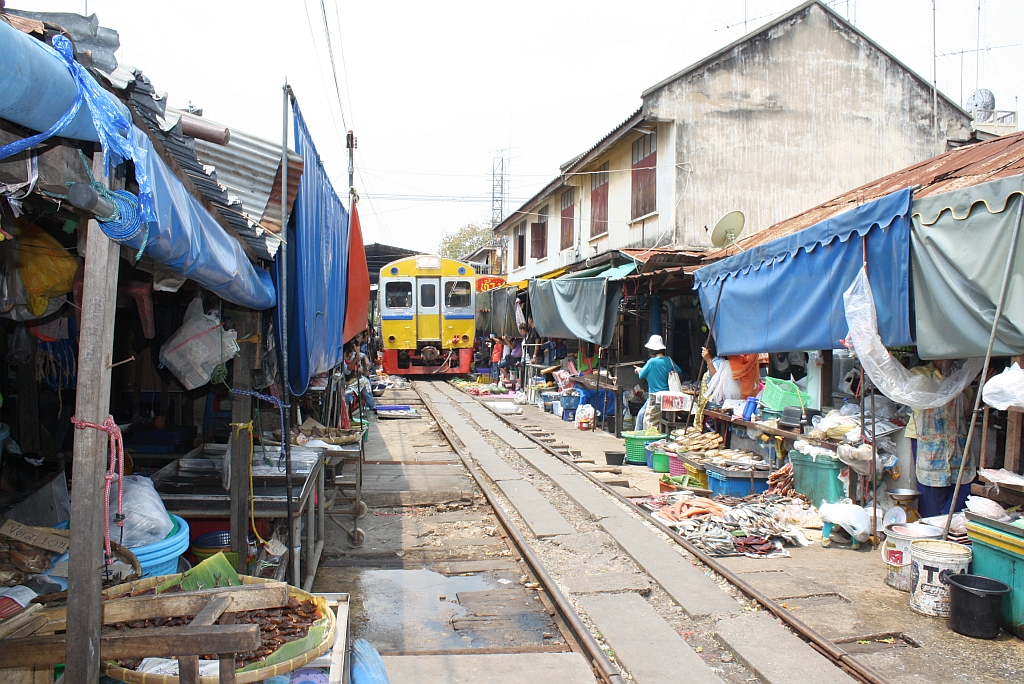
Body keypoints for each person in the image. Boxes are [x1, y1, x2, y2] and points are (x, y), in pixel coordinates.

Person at [635, 335, 681, 430]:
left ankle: (638, 439)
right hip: (668, 399)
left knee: (643, 418)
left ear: (651, 350)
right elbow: (679, 371)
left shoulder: (651, 362)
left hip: (654, 398)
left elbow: (641, 375)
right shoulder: (669, 360)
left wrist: (639, 370)